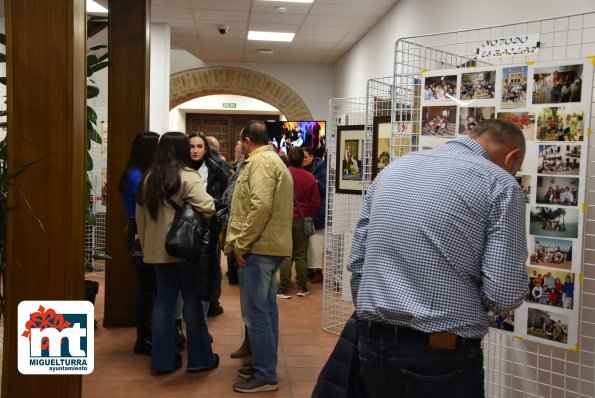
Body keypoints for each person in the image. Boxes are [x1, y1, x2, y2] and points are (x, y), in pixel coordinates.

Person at [346, 119, 528, 397]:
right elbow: (504, 294)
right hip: (440, 352)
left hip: (371, 341)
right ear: (512, 156)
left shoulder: (394, 169)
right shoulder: (500, 183)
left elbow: (357, 262)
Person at [136, 132, 219, 375]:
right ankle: (200, 359)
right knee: (191, 301)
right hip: (184, 251)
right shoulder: (186, 176)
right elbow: (208, 206)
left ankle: (161, 362)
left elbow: (140, 220)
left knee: (163, 301)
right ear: (183, 150)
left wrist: (147, 246)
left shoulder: (148, 178)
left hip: (156, 252)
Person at [224, 120, 293, 393]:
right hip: (267, 246)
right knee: (265, 310)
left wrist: (241, 244)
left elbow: (260, 207)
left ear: (247, 141)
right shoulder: (272, 160)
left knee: (256, 313)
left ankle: (265, 373)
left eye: (241, 143)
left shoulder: (261, 163)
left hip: (259, 248)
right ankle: (265, 364)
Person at [117, 131, 159, 355]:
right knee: (145, 287)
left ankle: (147, 334)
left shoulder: (138, 172)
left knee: (148, 286)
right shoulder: (136, 176)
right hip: (139, 233)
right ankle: (143, 337)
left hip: (141, 231)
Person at [188, 132, 229, 319]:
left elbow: (224, 199)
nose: (195, 150)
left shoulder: (216, 170)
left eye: (199, 146)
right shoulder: (180, 169)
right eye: (191, 146)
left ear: (206, 149)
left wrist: (214, 215)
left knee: (209, 270)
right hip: (185, 228)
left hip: (209, 228)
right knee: (188, 272)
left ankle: (207, 309)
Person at [277, 147, 320, 299]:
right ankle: (302, 287)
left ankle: (285, 288)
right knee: (301, 254)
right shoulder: (310, 177)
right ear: (302, 159)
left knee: (286, 255)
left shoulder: (282, 175)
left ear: (288, 158)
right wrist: (310, 218)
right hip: (303, 219)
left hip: (285, 219)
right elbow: (315, 202)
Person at [303, 146, 327, 284]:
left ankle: (317, 272)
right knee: (307, 246)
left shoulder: (321, 169)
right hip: (306, 213)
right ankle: (308, 270)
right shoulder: (303, 169)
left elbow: (325, 189)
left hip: (318, 212)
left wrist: (314, 182)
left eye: (305, 157)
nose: (303, 160)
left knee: (316, 245)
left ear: (311, 156)